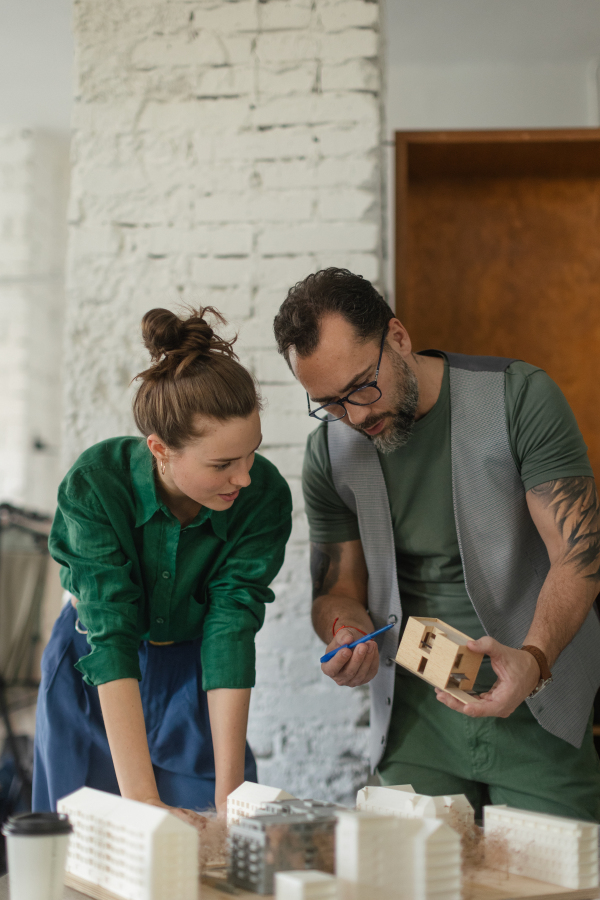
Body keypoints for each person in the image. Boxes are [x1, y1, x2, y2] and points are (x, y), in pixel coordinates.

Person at [273, 267, 600, 821]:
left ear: (397, 337)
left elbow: (581, 554)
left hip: (539, 702)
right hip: (415, 720)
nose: (355, 416)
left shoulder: (518, 397)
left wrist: (534, 659)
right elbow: (338, 588)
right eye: (330, 403)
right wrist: (345, 630)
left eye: (361, 387)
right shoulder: (330, 453)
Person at [33, 306, 292, 823]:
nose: (243, 477)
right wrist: (145, 805)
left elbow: (231, 628)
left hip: (197, 675)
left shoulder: (263, 497)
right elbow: (111, 635)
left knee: (219, 845)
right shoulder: (95, 485)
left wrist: (231, 795)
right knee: (85, 849)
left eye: (251, 454)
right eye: (222, 464)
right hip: (95, 671)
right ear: (160, 450)